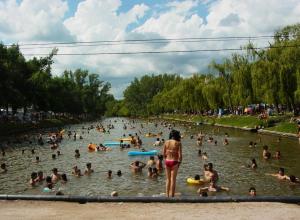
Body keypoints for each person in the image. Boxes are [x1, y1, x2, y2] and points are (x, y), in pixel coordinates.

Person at [163, 129, 182, 197]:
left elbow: (164, 154)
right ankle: (172, 196)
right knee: (173, 180)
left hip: (167, 161)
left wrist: (166, 160)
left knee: (168, 179)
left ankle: (167, 195)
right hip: (174, 161)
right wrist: (178, 163)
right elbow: (180, 156)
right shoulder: (178, 143)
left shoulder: (166, 142)